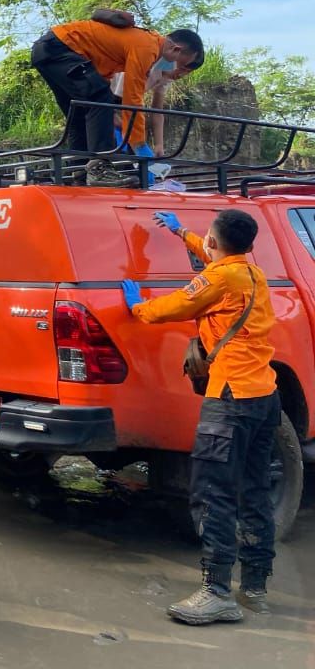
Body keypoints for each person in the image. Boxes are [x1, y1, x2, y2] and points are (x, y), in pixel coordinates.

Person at [122, 209, 280, 625]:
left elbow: (172, 306)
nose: (203, 243)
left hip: (229, 399)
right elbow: (215, 259)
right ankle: (255, 588)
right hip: (265, 394)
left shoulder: (218, 279)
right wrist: (183, 234)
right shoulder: (252, 272)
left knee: (213, 494)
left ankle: (215, 592)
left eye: (207, 239)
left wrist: (137, 305)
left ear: (216, 244)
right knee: (255, 490)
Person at [30, 13, 203, 186]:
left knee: (79, 112)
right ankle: (100, 169)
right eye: (180, 66)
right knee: (99, 98)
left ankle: (79, 171)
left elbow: (104, 68)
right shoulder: (148, 47)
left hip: (49, 51)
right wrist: (138, 143)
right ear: (175, 50)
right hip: (61, 48)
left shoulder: (145, 44)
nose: (176, 71)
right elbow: (132, 99)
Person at [110, 50, 205, 155]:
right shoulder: (147, 65)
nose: (182, 75)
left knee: (134, 154)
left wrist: (159, 145)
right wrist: (113, 117)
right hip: (103, 99)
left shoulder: (165, 78)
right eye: (182, 68)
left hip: (120, 108)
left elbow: (157, 110)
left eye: (188, 72)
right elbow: (118, 99)